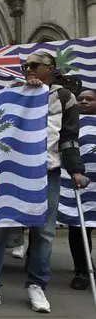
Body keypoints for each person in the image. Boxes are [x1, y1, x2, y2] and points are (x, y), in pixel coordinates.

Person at [0, 51, 87, 313]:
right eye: (26, 65)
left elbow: (69, 137)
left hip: (47, 173)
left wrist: (76, 170)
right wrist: (23, 92)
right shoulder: (13, 92)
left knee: (43, 232)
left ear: (51, 69)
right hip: (10, 172)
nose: (29, 69)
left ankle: (37, 285)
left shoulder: (64, 97)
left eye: (35, 65)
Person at [68, 88, 96, 290]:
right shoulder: (70, 124)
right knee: (79, 227)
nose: (84, 102)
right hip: (80, 184)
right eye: (80, 99)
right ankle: (82, 270)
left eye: (89, 99)